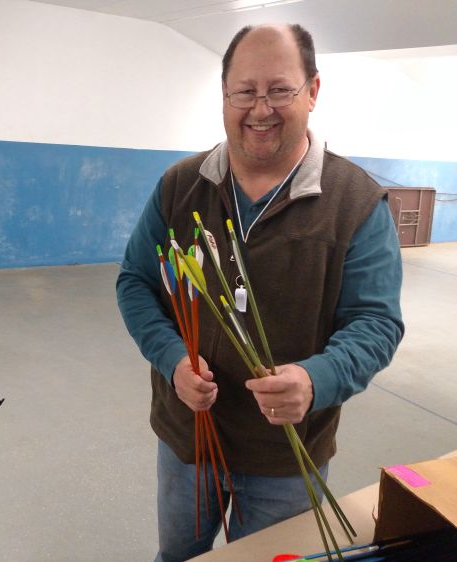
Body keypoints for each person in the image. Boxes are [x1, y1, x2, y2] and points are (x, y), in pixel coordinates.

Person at [116, 23, 404, 562]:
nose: (260, 109)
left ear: (313, 91)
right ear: (224, 96)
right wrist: (174, 359)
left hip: (286, 457)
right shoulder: (180, 185)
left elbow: (376, 323)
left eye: (280, 90)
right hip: (188, 438)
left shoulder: (357, 202)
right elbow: (136, 282)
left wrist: (316, 380)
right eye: (245, 91)